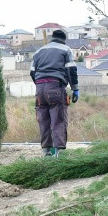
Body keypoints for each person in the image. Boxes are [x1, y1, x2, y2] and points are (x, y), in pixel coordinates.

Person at [30, 29, 78, 157]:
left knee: (43, 121)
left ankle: (46, 152)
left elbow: (32, 72)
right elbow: (71, 70)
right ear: (64, 39)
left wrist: (41, 85)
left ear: (52, 38)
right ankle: (59, 153)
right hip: (56, 87)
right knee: (58, 120)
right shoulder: (65, 50)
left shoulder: (38, 52)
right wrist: (75, 88)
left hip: (40, 89)